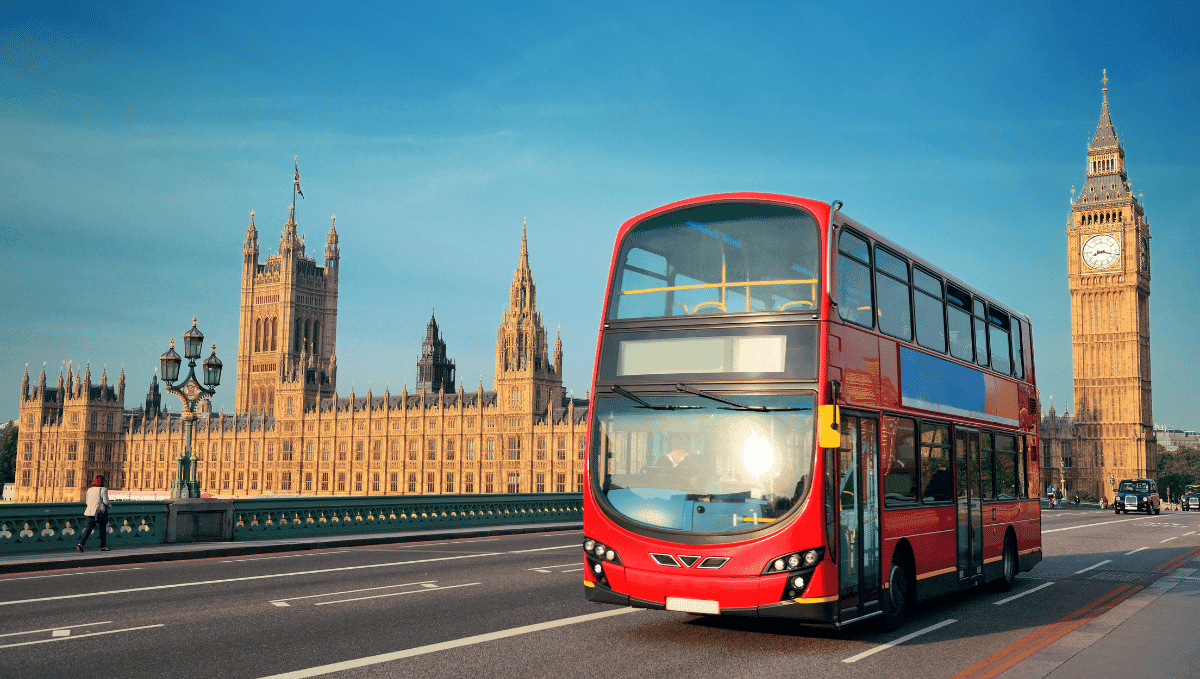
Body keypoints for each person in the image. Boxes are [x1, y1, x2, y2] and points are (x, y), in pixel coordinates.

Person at [77, 474, 110, 552]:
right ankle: (102, 547)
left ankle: (80, 544)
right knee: (102, 529)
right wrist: (110, 506)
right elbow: (106, 501)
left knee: (88, 529)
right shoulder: (103, 489)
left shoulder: (89, 490)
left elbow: (87, 502)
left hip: (90, 512)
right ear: (102, 482)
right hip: (100, 512)